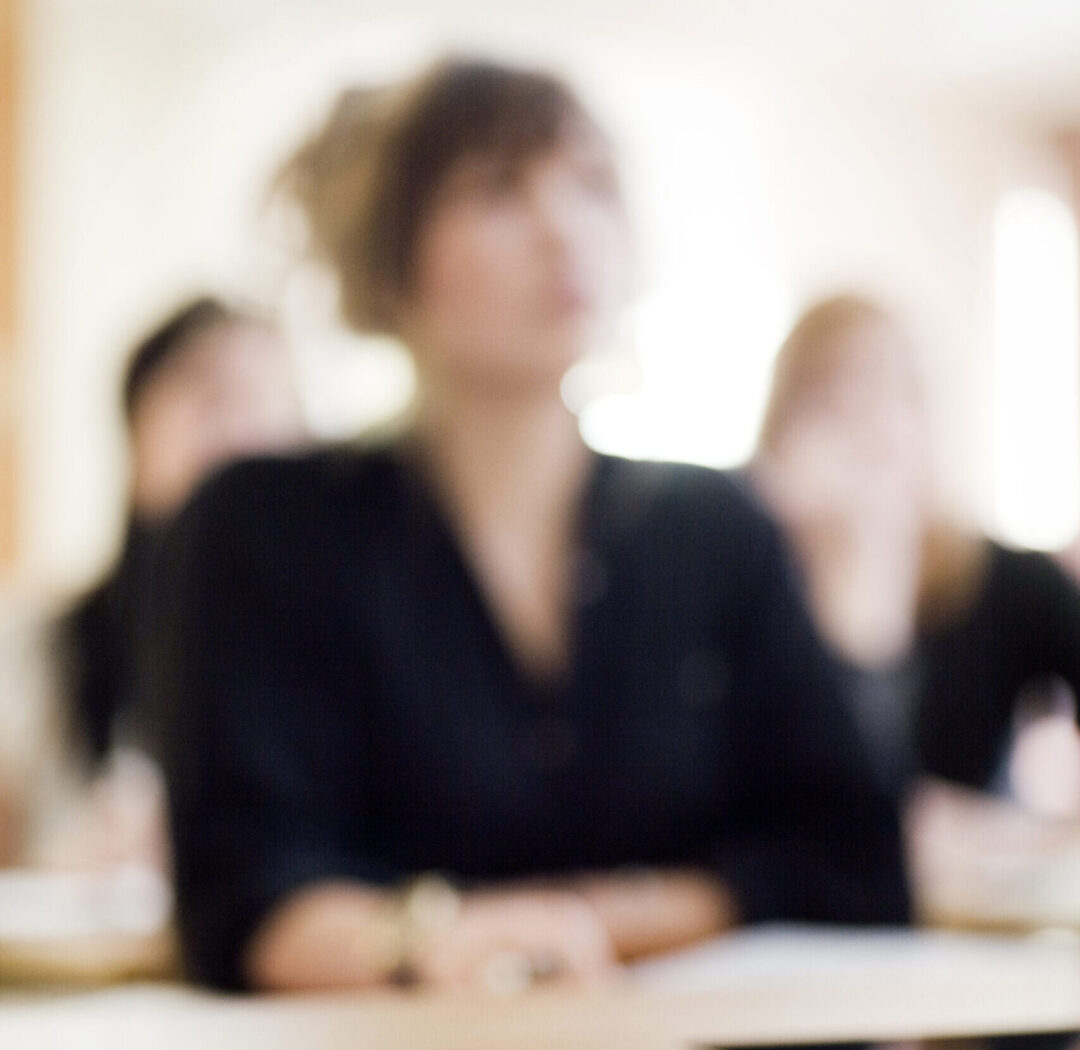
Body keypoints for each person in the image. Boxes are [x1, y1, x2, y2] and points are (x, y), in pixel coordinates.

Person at [145, 58, 908, 996]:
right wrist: (430, 940)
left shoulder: (719, 531)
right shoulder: (267, 527)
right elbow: (241, 887)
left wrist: (580, 924)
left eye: (590, 187)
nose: (562, 230)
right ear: (387, 253)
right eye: (495, 190)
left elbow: (854, 856)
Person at [748, 294, 1080, 1050]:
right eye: (830, 396)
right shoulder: (743, 592)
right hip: (798, 973)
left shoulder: (1009, 584)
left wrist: (1028, 835)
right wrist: (848, 581)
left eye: (892, 391)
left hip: (986, 973)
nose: (866, 424)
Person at [51, 296, 305, 867]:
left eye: (268, 402)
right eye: (216, 398)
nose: (245, 432)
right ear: (137, 428)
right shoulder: (55, 647)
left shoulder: (333, 644)